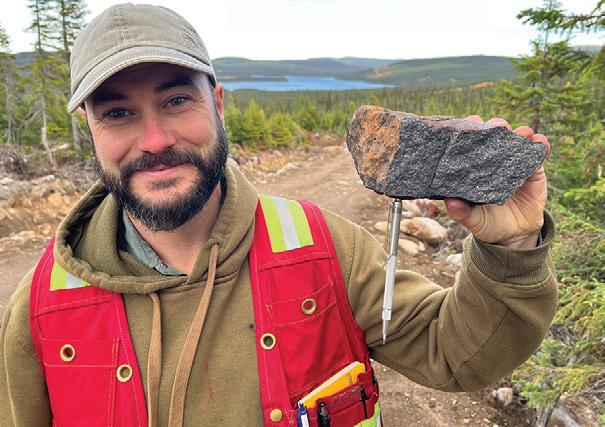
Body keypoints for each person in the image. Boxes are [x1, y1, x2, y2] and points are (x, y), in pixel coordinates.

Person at [0, 3, 557, 426]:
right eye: (118, 113)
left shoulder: (325, 249)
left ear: (218, 104)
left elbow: (458, 355)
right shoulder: (43, 308)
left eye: (176, 101)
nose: (154, 140)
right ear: (91, 129)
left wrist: (510, 247)